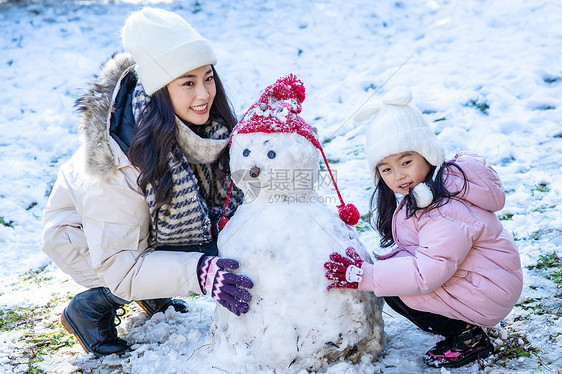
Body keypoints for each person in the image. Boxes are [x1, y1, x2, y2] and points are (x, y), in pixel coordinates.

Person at [41, 7, 252, 357]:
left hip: (136, 231)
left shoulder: (202, 130)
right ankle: (88, 310)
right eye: (188, 83)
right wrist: (198, 272)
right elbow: (120, 267)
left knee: (208, 241)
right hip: (83, 241)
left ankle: (155, 284)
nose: (204, 94)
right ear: (158, 90)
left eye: (208, 77)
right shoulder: (117, 163)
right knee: (174, 265)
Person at [324, 87, 523, 368]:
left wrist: (366, 276)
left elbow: (427, 273)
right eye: (387, 169)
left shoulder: (444, 209)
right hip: (482, 280)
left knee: (397, 289)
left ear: (427, 155)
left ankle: (468, 338)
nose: (399, 175)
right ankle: (463, 326)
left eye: (406, 162)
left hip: (489, 290)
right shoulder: (428, 192)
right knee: (394, 275)